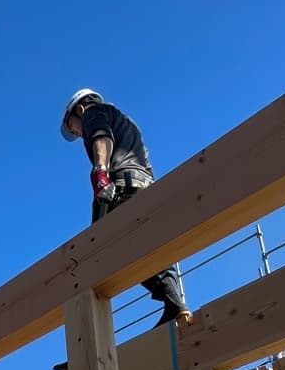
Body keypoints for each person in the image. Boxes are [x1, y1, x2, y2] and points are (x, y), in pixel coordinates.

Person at [60, 87, 192, 330]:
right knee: (145, 246)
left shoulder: (93, 113)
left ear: (79, 109)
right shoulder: (126, 122)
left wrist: (101, 172)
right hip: (143, 185)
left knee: (98, 257)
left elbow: (101, 136)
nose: (77, 133)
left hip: (120, 188)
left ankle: (91, 334)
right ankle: (173, 302)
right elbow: (145, 162)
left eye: (72, 127)